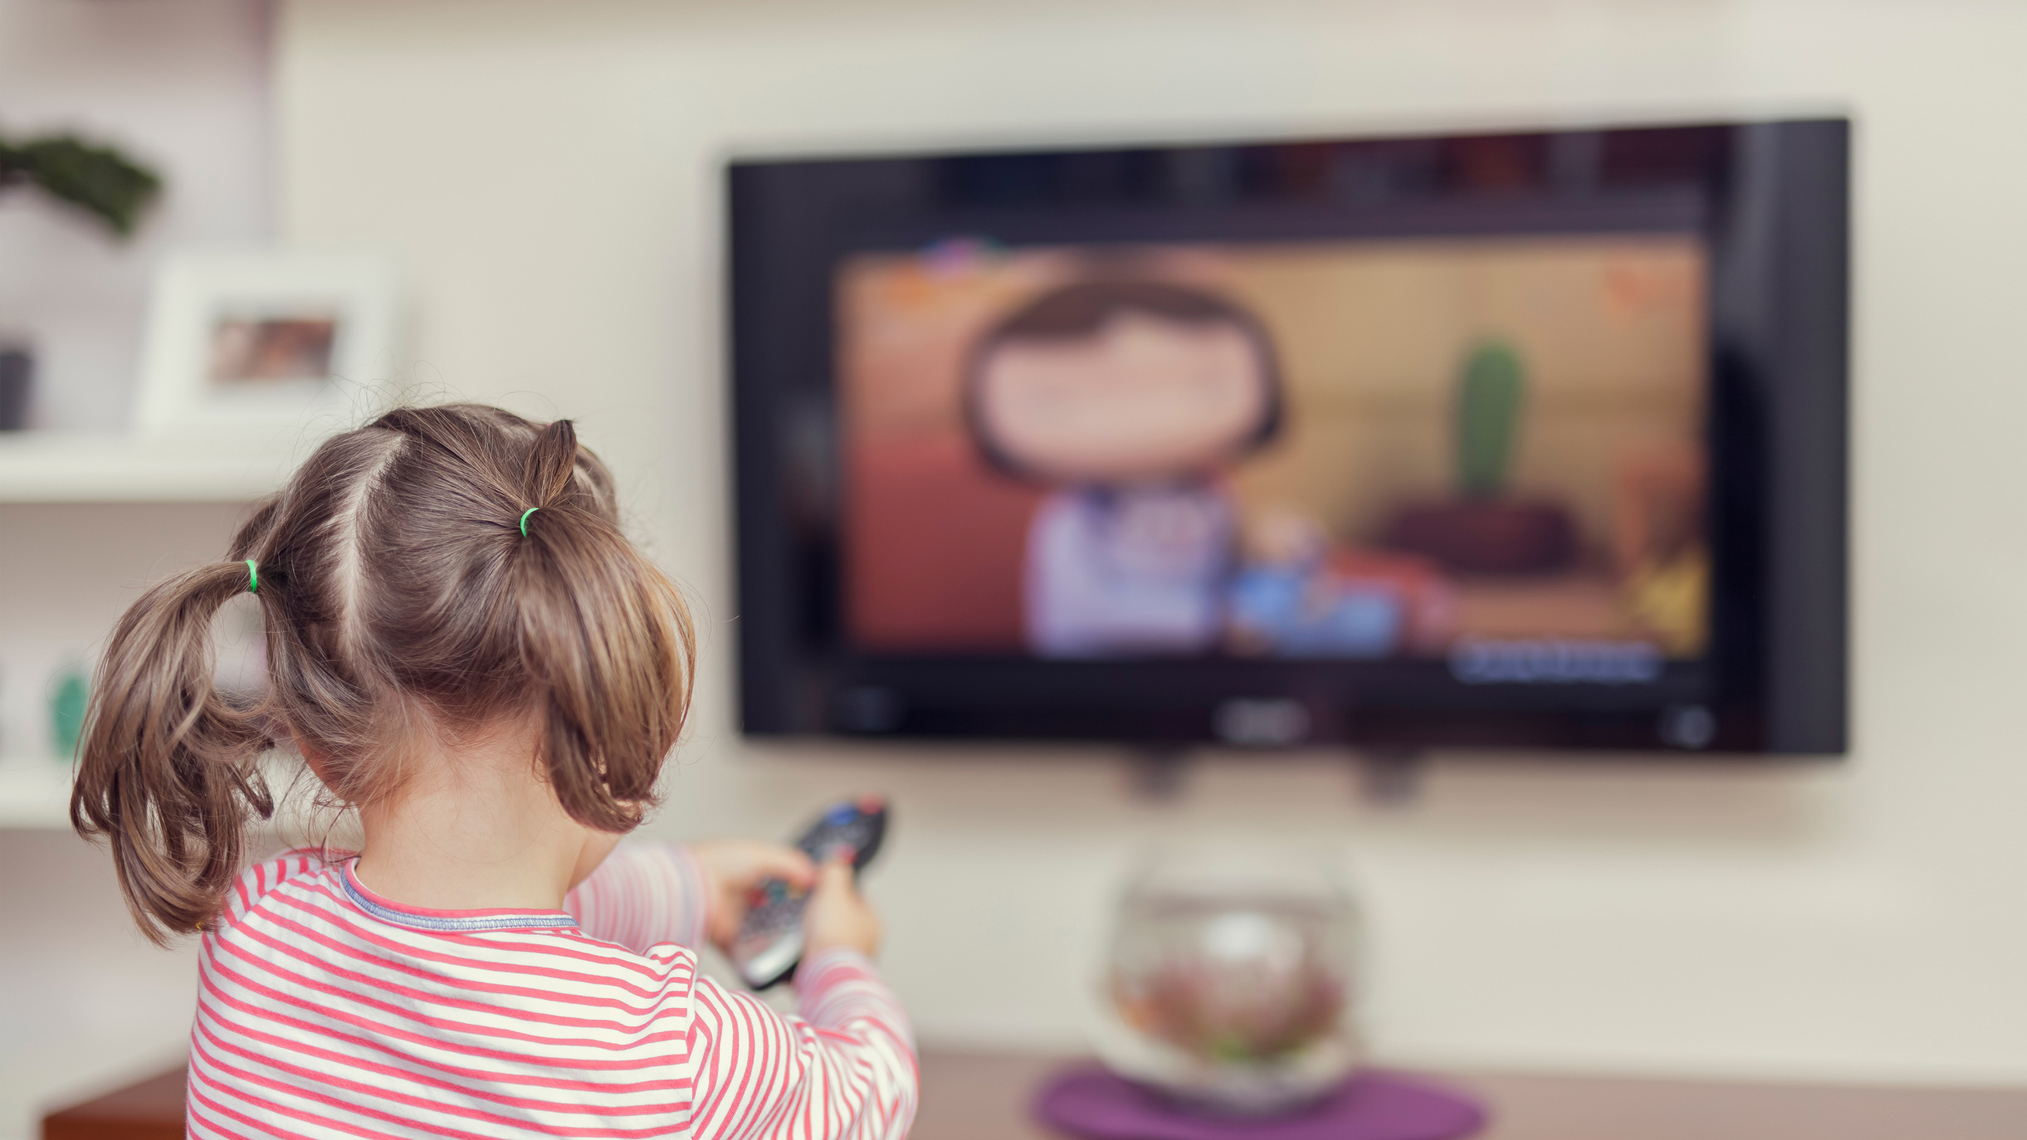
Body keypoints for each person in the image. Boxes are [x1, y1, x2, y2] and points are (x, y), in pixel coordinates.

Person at [70, 404, 916, 1139]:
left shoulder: (254, 930)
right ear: (611, 721)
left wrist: (690, 888)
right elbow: (871, 1091)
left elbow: (466, 927)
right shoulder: (681, 1051)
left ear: (321, 746)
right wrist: (840, 959)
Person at [964, 280, 1284, 657]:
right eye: (1053, 401)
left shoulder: (1214, 493)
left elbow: (1234, 558)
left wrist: (1281, 555)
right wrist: (1207, 620)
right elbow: (1089, 607)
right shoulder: (1069, 518)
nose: (1145, 419)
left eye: (1203, 385)